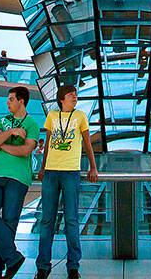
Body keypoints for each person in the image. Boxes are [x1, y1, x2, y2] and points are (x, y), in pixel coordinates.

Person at [35, 84, 99, 279]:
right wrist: (43, 167)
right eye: (71, 95)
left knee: (71, 220)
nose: (75, 98)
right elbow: (47, 144)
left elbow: (87, 142)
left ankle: (73, 266)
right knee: (47, 220)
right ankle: (43, 267)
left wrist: (93, 167)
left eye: (76, 95)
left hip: (71, 171)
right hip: (52, 172)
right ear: (61, 98)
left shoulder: (80, 116)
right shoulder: (52, 116)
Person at [0, 87, 39, 279]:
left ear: (21, 101)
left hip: (18, 177)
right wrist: (12, 132)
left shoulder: (32, 124)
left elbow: (25, 151)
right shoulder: (2, 120)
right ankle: (13, 257)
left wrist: (1, 142)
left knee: (9, 222)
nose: (8, 103)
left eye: (11, 99)